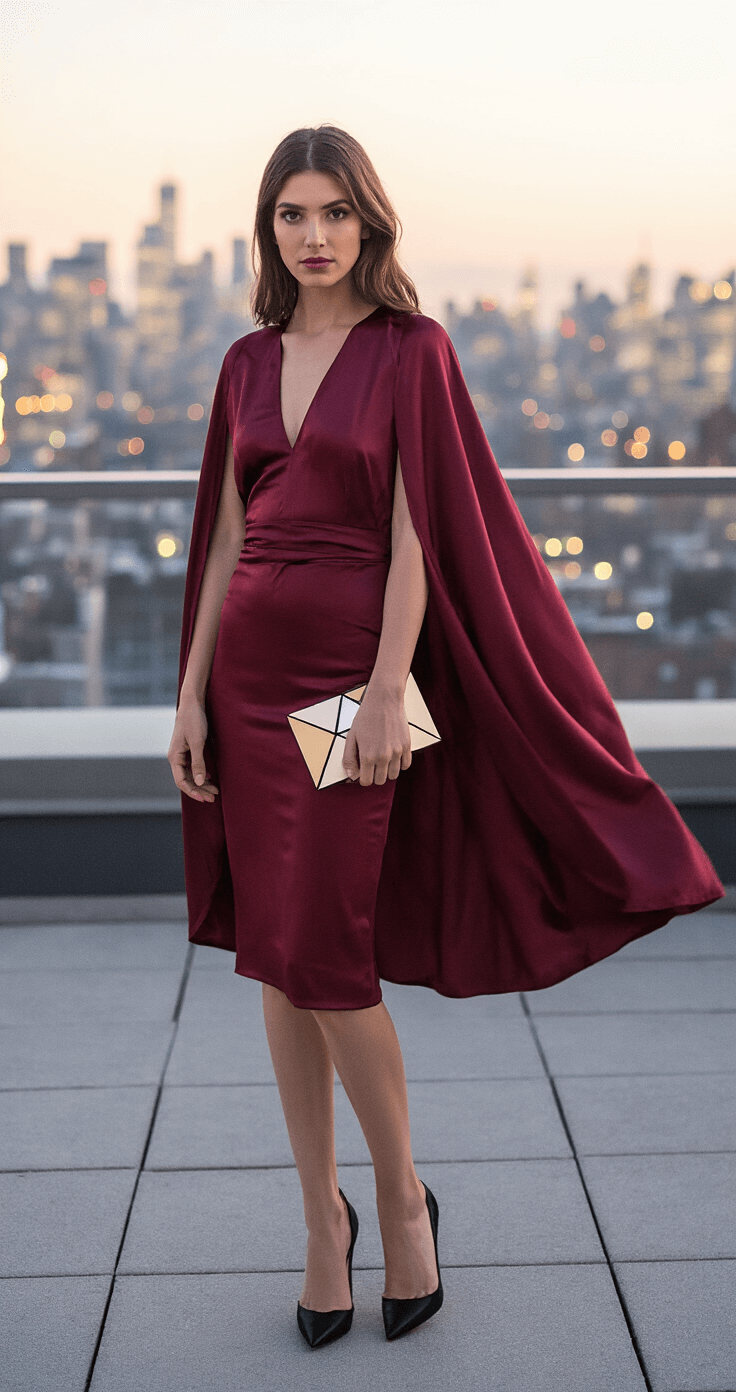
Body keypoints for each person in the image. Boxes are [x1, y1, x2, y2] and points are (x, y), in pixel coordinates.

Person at [169, 125, 724, 1350]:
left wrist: (381, 689)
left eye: (332, 213)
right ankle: (321, 1223)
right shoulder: (245, 362)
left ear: (370, 222)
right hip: (250, 678)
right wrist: (190, 693)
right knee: (276, 953)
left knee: (328, 955)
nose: (312, 236)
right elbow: (219, 536)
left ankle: (400, 1203)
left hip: (342, 684)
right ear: (268, 232)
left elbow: (424, 532)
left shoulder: (411, 351)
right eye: (289, 216)